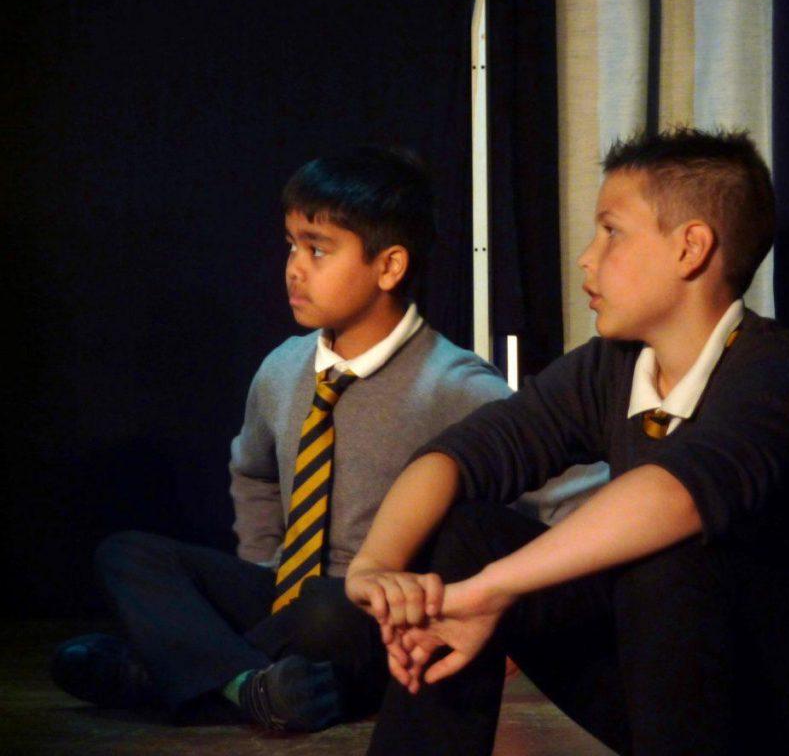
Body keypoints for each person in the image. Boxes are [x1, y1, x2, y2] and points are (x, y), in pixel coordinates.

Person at [345, 127, 789, 755]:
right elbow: (462, 454)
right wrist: (375, 566)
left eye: (611, 232)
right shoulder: (612, 366)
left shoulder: (777, 371)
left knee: (665, 558)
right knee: (464, 535)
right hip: (675, 674)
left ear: (691, 248)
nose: (587, 258)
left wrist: (491, 590)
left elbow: (674, 497)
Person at [51, 146, 600, 732]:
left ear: (388, 267)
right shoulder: (282, 369)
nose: (294, 268)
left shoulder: (455, 385)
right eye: (291, 245)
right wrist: (263, 561)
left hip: (369, 615)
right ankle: (250, 688)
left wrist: (513, 619)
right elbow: (254, 472)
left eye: (317, 249)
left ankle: (167, 674)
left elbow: (575, 498)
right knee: (128, 554)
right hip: (287, 594)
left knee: (326, 609)